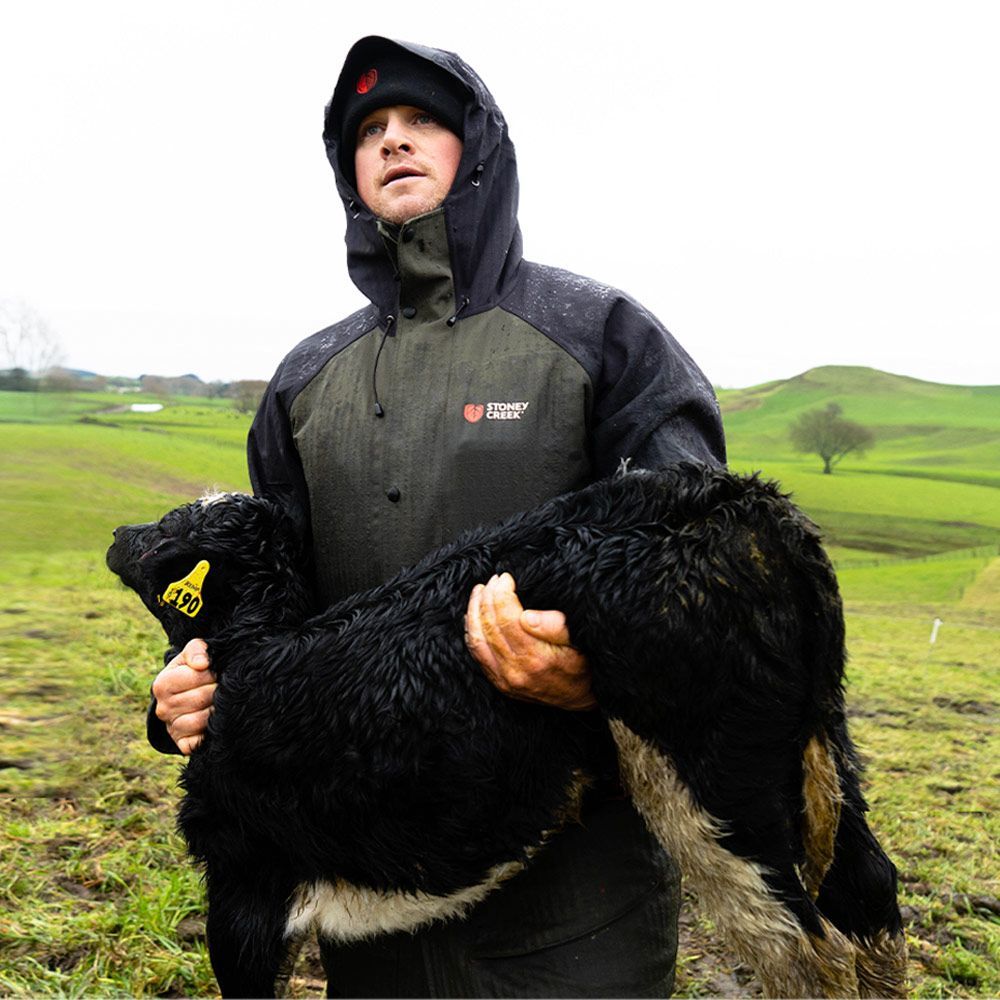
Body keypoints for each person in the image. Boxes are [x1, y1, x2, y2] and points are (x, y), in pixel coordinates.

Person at [148, 35, 726, 997]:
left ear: (481, 152)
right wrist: (186, 691)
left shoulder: (602, 336)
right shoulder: (304, 380)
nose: (394, 141)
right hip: (369, 886)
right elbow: (261, 607)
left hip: (572, 897)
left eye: (423, 121)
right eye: (369, 131)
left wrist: (593, 669)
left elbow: (699, 574)